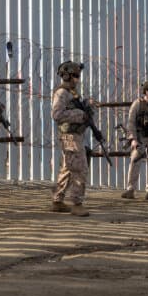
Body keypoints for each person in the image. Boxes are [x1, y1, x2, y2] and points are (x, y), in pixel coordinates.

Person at [50, 60, 92, 217]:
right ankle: (77, 203)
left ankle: (57, 200)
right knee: (80, 168)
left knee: (68, 169)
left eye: (78, 76)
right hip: (69, 136)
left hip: (75, 135)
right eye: (75, 76)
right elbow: (57, 115)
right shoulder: (62, 93)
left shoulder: (72, 93)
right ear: (66, 76)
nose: (77, 79)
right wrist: (80, 115)